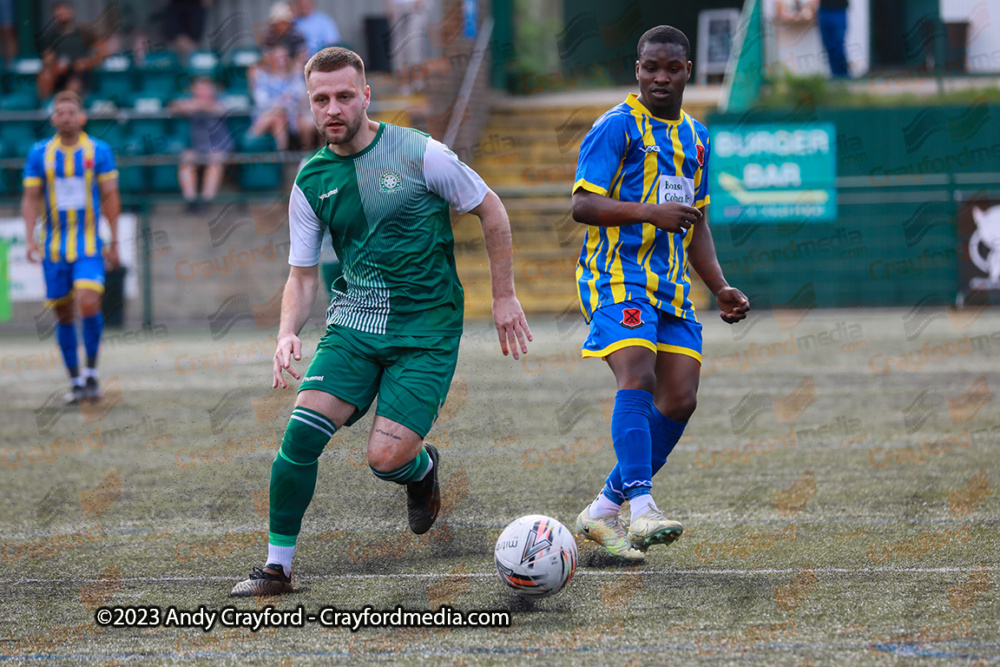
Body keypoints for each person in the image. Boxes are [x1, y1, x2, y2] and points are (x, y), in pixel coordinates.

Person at [230, 46, 531, 596]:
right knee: (298, 439)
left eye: (345, 95)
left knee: (385, 459)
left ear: (366, 96)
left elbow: (492, 209)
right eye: (321, 99)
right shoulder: (311, 180)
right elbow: (300, 276)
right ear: (310, 106)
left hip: (426, 331)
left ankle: (420, 470)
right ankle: (277, 569)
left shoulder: (421, 154)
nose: (333, 108)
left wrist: (504, 297)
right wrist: (286, 332)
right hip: (353, 325)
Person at [570, 26, 749, 561]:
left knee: (680, 397)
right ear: (638, 69)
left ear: (687, 70)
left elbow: (696, 223)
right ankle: (643, 509)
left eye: (671, 68)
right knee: (639, 376)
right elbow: (582, 205)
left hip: (672, 287)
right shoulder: (616, 127)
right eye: (651, 67)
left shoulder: (697, 136)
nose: (660, 77)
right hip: (614, 277)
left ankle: (603, 510)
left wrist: (718, 285)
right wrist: (650, 211)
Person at [21, 90, 121, 404]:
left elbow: (110, 196)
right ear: (53, 118)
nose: (65, 117)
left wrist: (115, 239)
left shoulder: (98, 150)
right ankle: (77, 381)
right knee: (64, 314)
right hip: (53, 248)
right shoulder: (40, 153)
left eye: (70, 111)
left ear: (82, 116)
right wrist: (28, 238)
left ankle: (91, 373)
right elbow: (30, 198)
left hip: (89, 244)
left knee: (89, 301)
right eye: (59, 112)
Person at [169, 77, 233, 213]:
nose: (202, 92)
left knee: (215, 162)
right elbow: (173, 106)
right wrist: (189, 105)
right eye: (199, 89)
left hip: (220, 148)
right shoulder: (190, 102)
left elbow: (219, 108)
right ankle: (191, 201)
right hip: (199, 148)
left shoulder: (221, 101)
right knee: (186, 159)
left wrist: (197, 105)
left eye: (206, 88)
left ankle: (205, 201)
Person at [249, 45, 315, 150]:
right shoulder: (263, 76)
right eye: (278, 57)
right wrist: (282, 103)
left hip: (293, 114)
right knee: (279, 118)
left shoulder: (294, 75)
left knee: (307, 123)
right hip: (268, 114)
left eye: (284, 57)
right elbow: (262, 102)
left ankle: (306, 156)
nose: (282, 61)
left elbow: (302, 96)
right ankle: (282, 158)